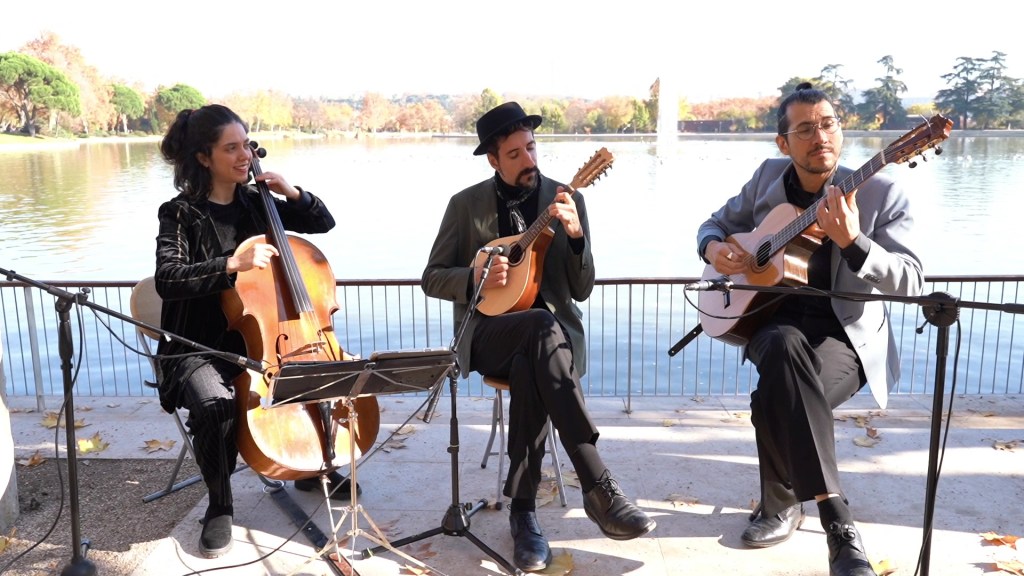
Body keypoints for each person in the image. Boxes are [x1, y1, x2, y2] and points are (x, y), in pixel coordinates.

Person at [696, 83, 924, 576]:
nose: (819, 136)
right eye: (804, 129)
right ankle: (838, 526)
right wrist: (716, 250)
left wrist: (854, 242)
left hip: (845, 338)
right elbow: (713, 225)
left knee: (773, 397)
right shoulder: (767, 179)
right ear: (784, 143)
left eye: (828, 124)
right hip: (769, 321)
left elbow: (911, 279)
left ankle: (780, 505)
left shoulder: (882, 192)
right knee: (781, 344)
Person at [422, 101, 656, 572]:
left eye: (531, 148)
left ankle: (524, 514)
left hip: (550, 343)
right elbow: (431, 277)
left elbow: (582, 290)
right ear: (493, 159)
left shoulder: (568, 199)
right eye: (514, 154)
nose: (529, 160)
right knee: (537, 330)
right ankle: (598, 485)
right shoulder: (465, 205)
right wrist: (474, 278)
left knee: (539, 344)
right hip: (489, 334)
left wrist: (574, 237)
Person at [154, 104, 357, 558]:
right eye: (231, 148)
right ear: (204, 157)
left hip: (268, 342)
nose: (244, 155)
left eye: (246, 144)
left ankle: (307, 467)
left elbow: (322, 223)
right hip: (199, 346)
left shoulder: (257, 203)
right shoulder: (180, 214)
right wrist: (231, 263)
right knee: (215, 403)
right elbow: (167, 277)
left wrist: (293, 193)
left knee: (307, 376)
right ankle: (220, 504)